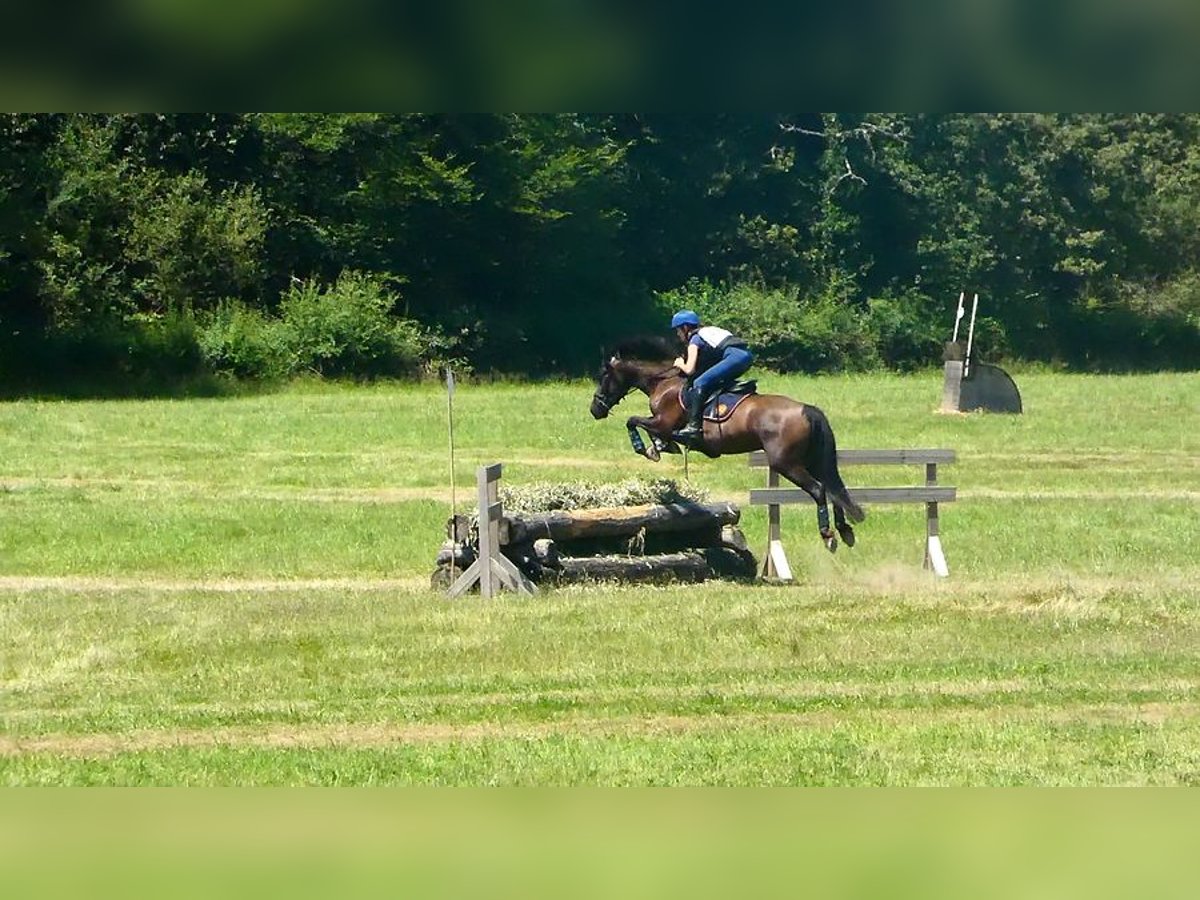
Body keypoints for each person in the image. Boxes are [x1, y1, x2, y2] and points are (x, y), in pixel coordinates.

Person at [670, 310, 753, 441]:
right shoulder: (708, 331)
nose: (678, 334)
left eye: (678, 330)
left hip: (734, 357)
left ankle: (693, 427)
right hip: (746, 356)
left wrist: (680, 363)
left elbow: (690, 369)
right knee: (714, 381)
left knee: (699, 382)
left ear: (685, 328)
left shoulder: (695, 339)